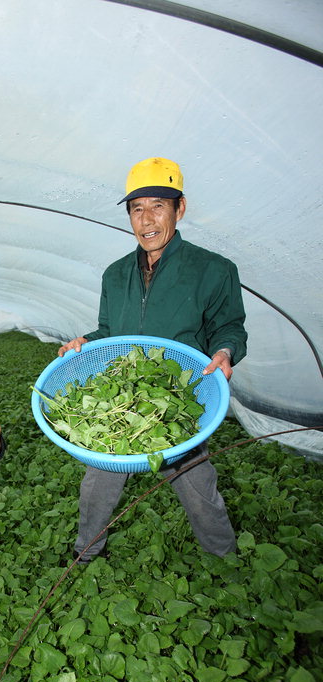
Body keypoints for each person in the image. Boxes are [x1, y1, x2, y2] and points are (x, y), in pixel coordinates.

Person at [58, 157, 247, 562]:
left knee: (199, 491)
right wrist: (84, 343)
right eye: (136, 208)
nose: (146, 219)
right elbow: (109, 332)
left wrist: (225, 352)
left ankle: (226, 559)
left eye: (158, 206)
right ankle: (85, 556)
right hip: (124, 403)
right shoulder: (115, 274)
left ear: (180, 208)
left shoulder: (213, 270)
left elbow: (229, 326)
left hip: (180, 403)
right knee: (96, 489)